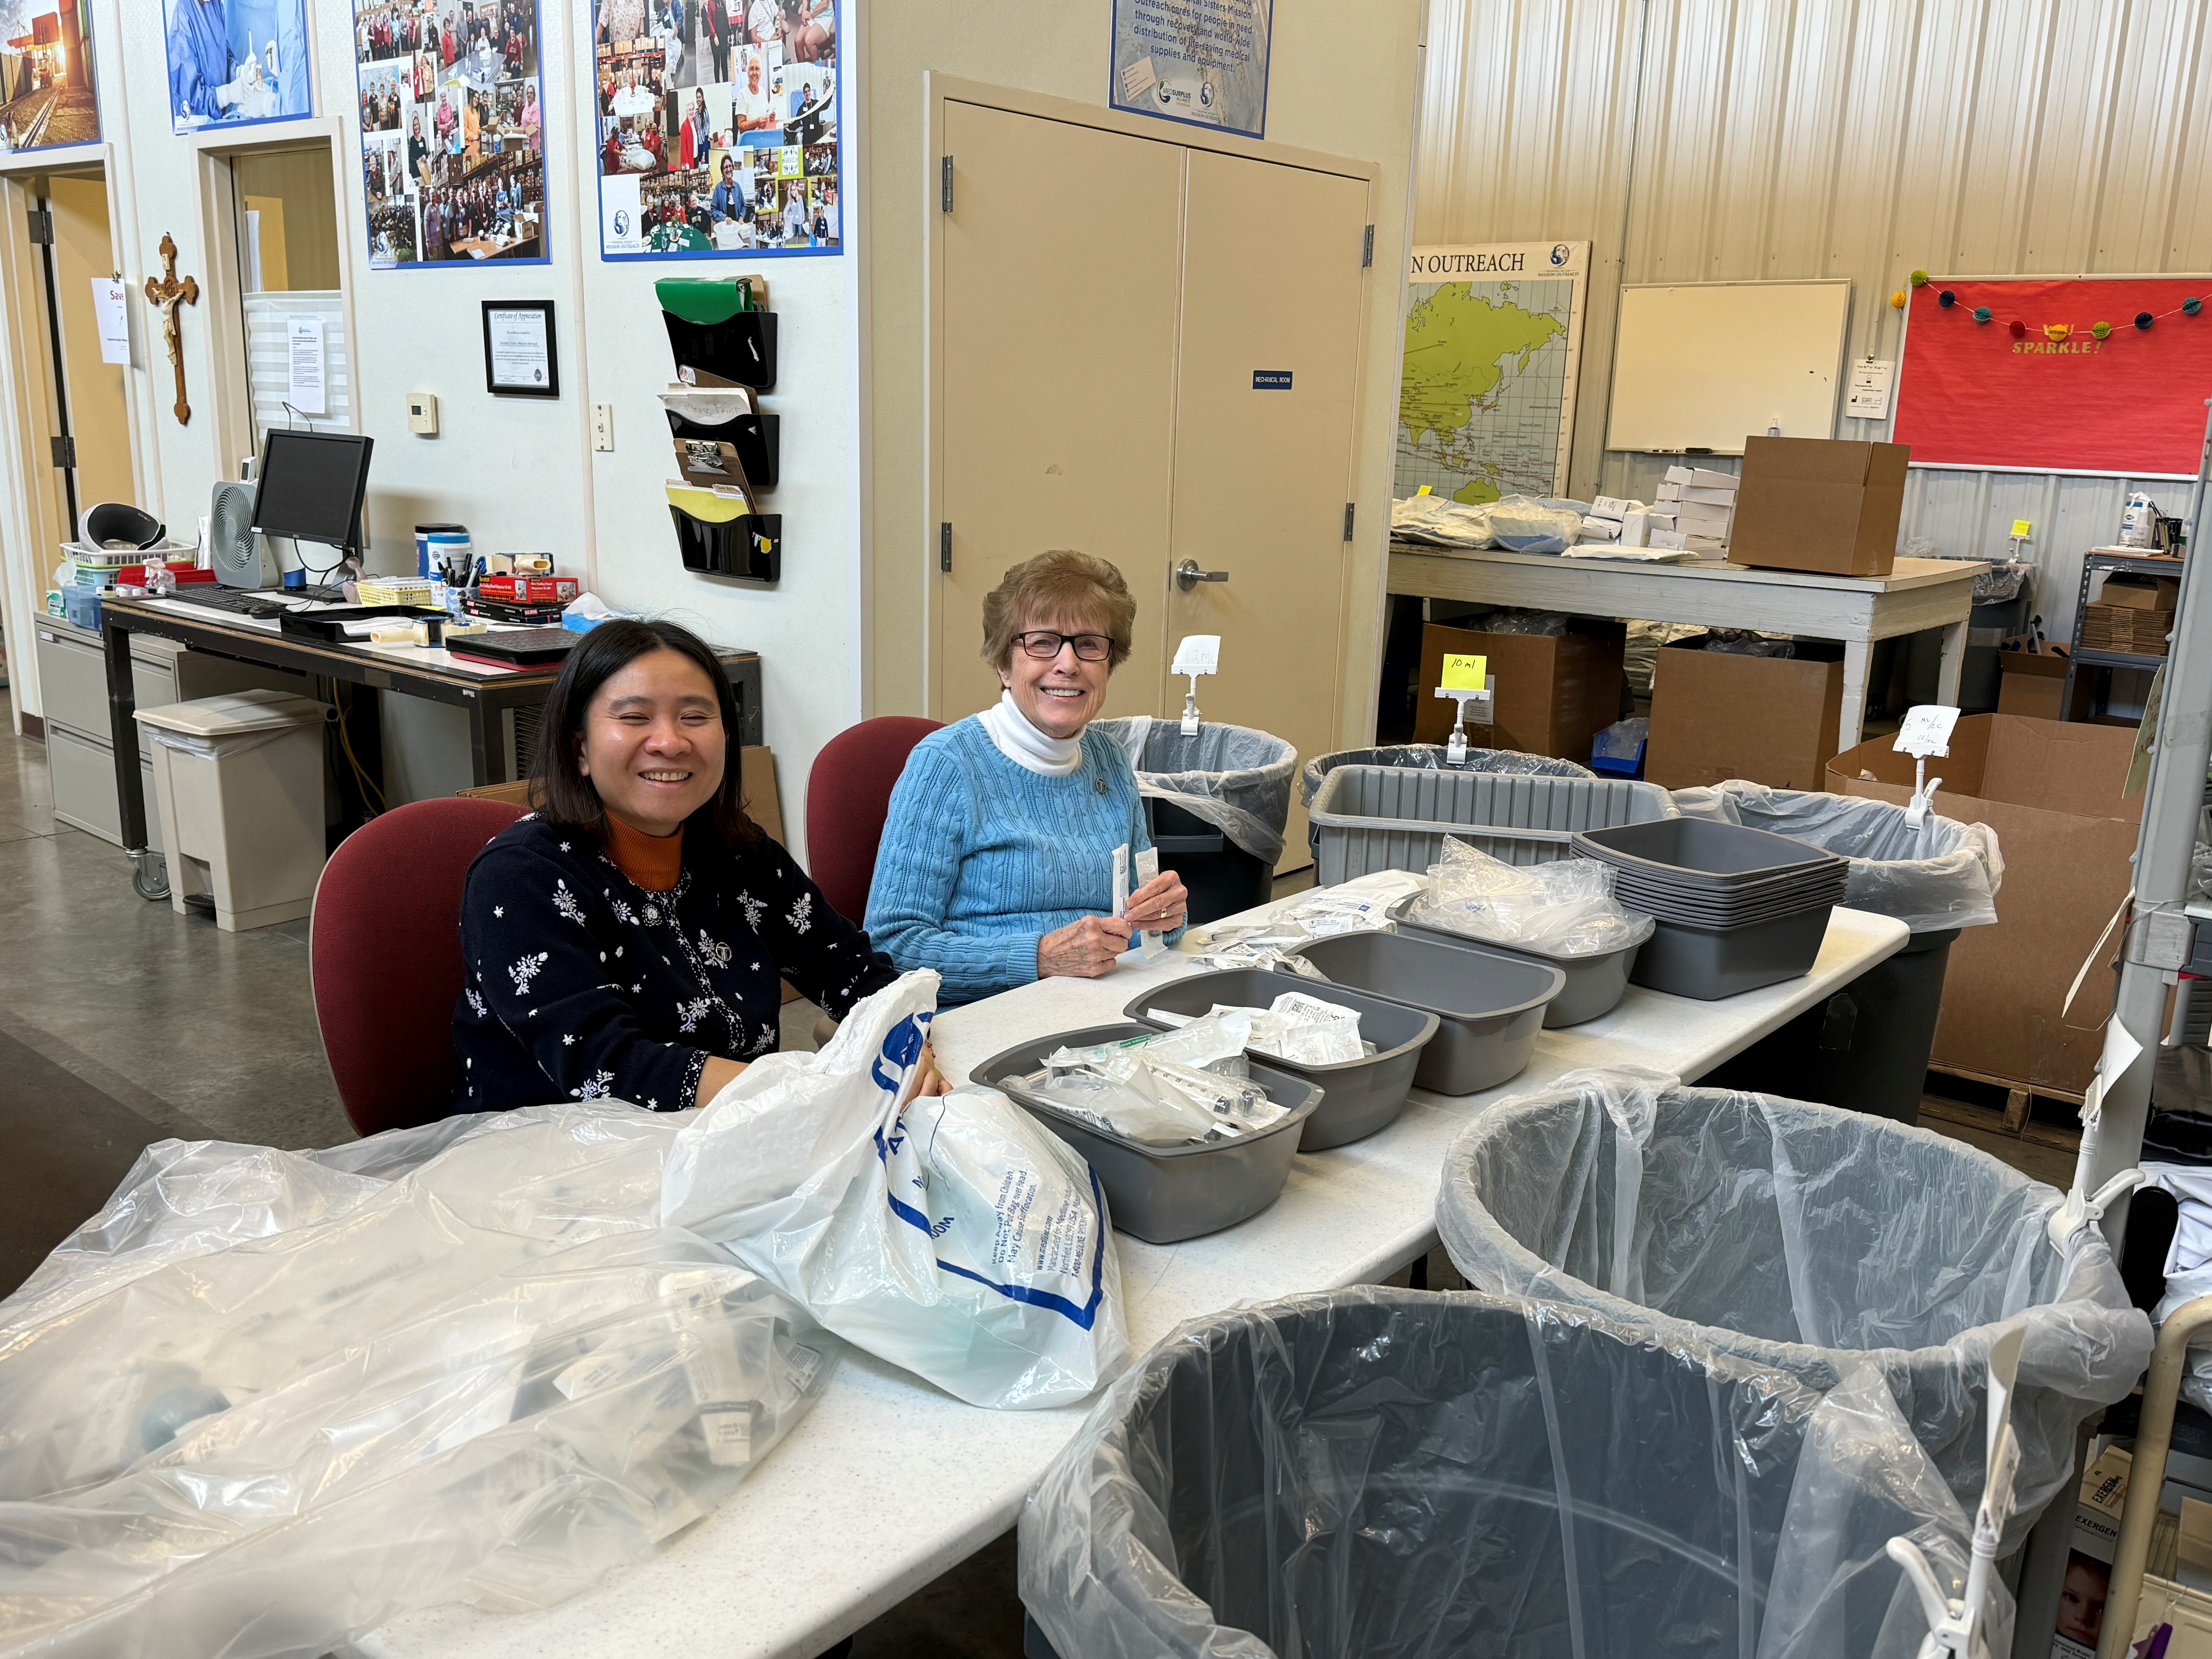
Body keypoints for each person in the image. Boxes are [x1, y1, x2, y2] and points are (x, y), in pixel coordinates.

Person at [453, 619, 942, 1114]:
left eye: (694, 716)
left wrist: (902, 1039)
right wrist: (814, 1088)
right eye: (635, 717)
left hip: (737, 1129)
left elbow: (851, 968)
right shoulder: (521, 875)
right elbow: (606, 1066)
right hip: (557, 1148)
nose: (670, 742)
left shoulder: (738, 852)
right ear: (580, 748)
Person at [867, 551, 1189, 1006]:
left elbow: (1143, 922)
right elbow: (892, 949)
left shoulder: (1110, 760)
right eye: (1042, 643)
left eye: (1089, 645)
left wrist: (1167, 917)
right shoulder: (946, 766)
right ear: (1004, 664)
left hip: (1107, 1000)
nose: (1068, 664)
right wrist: (1038, 959)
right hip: (986, 1014)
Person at [708, 152, 743, 220]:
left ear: (733, 168)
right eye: (726, 167)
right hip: (724, 225)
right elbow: (713, 211)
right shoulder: (718, 189)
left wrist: (741, 217)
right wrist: (724, 218)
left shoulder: (738, 187)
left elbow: (743, 207)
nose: (729, 169)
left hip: (737, 225)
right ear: (723, 171)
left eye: (730, 166)